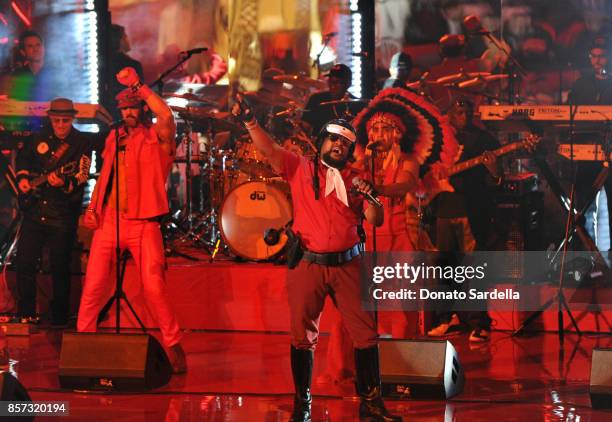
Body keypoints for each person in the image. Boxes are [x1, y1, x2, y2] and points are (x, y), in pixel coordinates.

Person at [232, 97, 401, 422]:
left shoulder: (356, 179)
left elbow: (375, 220)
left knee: (366, 335)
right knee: (302, 336)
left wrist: (371, 194)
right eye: (334, 138)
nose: (339, 145)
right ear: (322, 141)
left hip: (349, 265)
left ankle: (372, 406)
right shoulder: (300, 167)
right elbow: (269, 150)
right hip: (308, 264)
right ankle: (303, 406)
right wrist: (251, 121)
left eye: (346, 142)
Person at [77, 67, 186, 374]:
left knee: (154, 288)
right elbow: (107, 174)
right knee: (93, 284)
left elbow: (165, 116)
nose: (127, 113)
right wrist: (93, 207)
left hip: (143, 224)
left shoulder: (158, 137)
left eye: (132, 107)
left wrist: (140, 86)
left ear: (141, 108)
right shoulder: (114, 137)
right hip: (110, 220)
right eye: (123, 108)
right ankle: (84, 342)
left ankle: (174, 344)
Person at [426, 98, 499, 342]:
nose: (464, 116)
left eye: (467, 111)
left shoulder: (485, 140)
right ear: (449, 114)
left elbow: (497, 178)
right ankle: (446, 318)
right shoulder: (439, 141)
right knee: (444, 269)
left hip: (471, 211)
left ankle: (479, 322)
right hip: (444, 211)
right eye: (459, 111)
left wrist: (494, 170)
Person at [15, 98, 92, 325]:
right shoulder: (38, 138)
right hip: (35, 209)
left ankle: (60, 316)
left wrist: (64, 183)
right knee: (25, 261)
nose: (60, 125)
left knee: (60, 266)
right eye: (56, 120)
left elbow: (83, 173)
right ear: (50, 118)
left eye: (65, 121)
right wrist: (22, 179)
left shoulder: (81, 142)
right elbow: (23, 159)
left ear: (72, 119)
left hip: (62, 212)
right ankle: (26, 312)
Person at [568, 36, 612, 254]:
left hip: (609, 148)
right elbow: (569, 116)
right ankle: (585, 256)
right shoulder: (580, 84)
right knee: (584, 206)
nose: (597, 61)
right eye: (593, 56)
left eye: (601, 56)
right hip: (585, 150)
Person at [103, 24, 145, 121]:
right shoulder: (133, 65)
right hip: (130, 116)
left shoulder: (103, 64)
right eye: (125, 36)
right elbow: (141, 93)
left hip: (107, 116)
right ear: (120, 41)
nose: (127, 40)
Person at [301, 63, 358, 135]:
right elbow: (305, 127)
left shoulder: (356, 104)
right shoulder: (316, 99)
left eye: (337, 82)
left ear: (348, 84)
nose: (332, 86)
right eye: (330, 81)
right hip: (318, 145)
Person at [3, 30, 59, 101]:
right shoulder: (18, 75)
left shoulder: (55, 74)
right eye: (30, 46)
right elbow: (13, 103)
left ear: (44, 49)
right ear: (23, 52)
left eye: (38, 45)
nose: (35, 49)